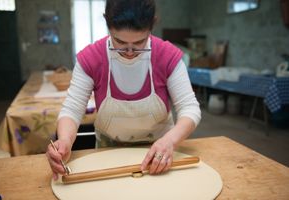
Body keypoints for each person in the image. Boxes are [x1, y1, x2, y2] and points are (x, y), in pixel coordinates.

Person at [46, 0, 201, 180]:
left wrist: (169, 141)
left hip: (160, 155)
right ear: (107, 24)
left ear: (152, 25)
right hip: (107, 155)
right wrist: (65, 139)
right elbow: (72, 110)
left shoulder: (167, 56)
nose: (129, 52)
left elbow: (190, 109)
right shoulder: (91, 58)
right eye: (119, 41)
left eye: (139, 42)